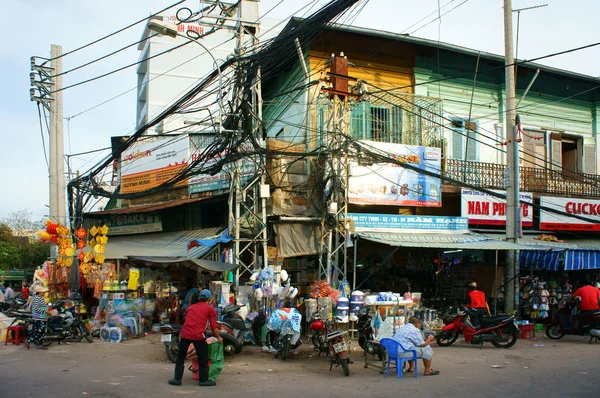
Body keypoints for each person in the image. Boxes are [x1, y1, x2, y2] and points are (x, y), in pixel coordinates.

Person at [169, 289, 223, 387]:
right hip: (198, 335)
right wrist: (218, 337)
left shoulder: (190, 308)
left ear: (198, 298)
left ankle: (177, 379)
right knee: (203, 358)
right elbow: (213, 327)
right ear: (209, 299)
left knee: (180, 357)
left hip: (185, 334)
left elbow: (189, 321)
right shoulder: (210, 309)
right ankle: (203, 380)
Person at [28, 285, 51, 349]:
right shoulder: (37, 298)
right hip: (39, 317)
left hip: (42, 317)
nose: (44, 293)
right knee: (40, 331)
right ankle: (29, 340)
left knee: (42, 332)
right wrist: (45, 312)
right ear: (39, 292)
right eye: (43, 292)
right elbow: (36, 308)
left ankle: (40, 344)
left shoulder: (40, 298)